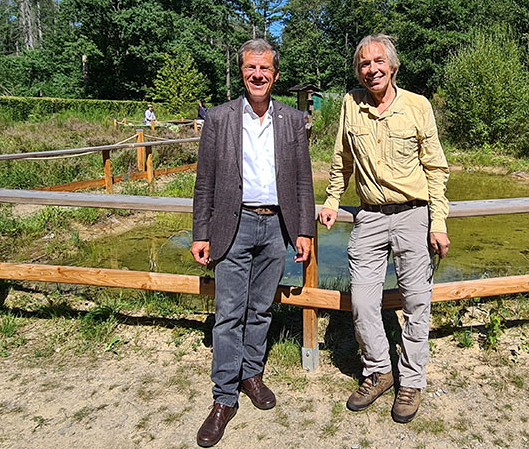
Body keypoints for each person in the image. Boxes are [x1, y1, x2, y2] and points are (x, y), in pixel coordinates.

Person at [317, 33, 450, 423]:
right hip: (370, 217)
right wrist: (331, 200)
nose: (371, 69)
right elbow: (342, 159)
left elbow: (436, 168)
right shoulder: (350, 105)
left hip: (414, 215)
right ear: (358, 70)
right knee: (361, 301)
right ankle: (378, 370)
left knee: (416, 303)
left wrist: (437, 221)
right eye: (363, 63)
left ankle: (411, 380)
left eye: (378, 62)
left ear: (392, 66)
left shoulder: (417, 106)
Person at [191, 39, 315, 447]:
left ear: (275, 75)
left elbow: (301, 181)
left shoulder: (293, 121)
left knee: (261, 309)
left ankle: (251, 375)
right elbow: (204, 181)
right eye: (250, 69)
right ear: (242, 72)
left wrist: (303, 230)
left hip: (275, 226)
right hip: (233, 224)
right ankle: (224, 398)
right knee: (228, 314)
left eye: (264, 69)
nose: (257, 75)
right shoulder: (220, 118)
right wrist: (201, 232)